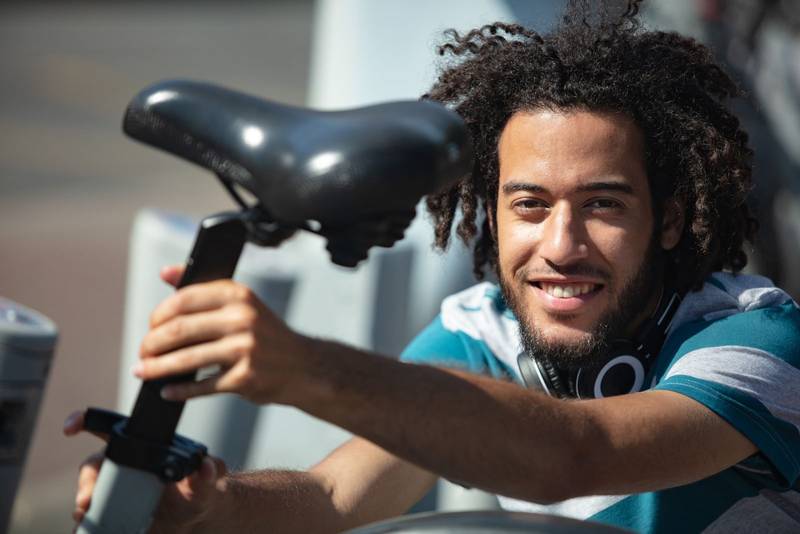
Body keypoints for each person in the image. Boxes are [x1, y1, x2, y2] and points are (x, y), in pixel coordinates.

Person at [66, 1, 800, 532]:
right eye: (530, 204)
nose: (560, 244)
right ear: (492, 216)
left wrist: (302, 368)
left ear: (667, 219)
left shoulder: (759, 342)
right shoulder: (483, 331)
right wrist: (211, 506)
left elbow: (577, 455)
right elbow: (333, 497)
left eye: (602, 204)